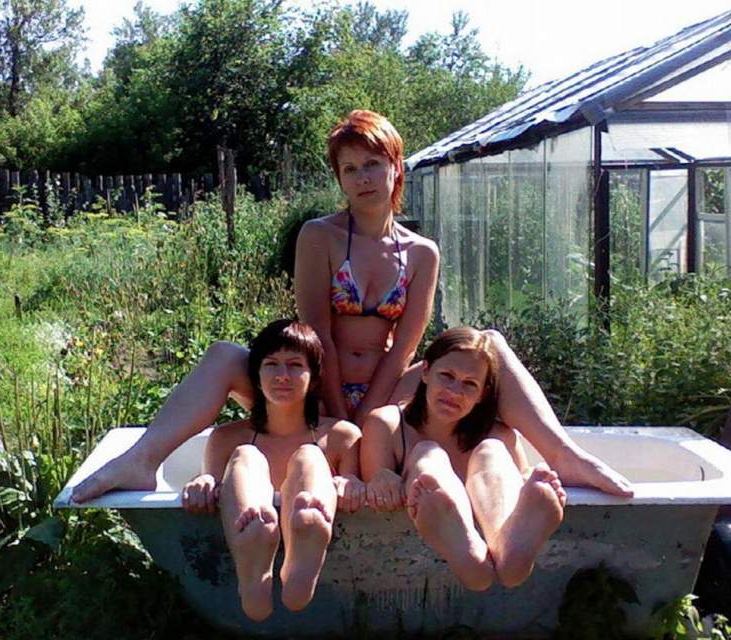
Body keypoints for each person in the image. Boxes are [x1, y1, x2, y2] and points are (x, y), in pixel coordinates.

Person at [72, 109, 631, 504]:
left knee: (493, 348)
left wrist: (372, 415)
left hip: (387, 386)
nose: (362, 178)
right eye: (349, 169)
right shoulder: (318, 236)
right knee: (223, 354)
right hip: (319, 384)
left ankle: (565, 456)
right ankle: (143, 459)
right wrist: (338, 413)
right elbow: (313, 333)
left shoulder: (421, 252)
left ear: (395, 168)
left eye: (372, 164)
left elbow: (407, 344)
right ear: (339, 178)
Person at [181, 319, 363, 621]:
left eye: (295, 365)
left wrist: (351, 484)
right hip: (247, 495)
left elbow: (354, 484)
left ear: (314, 378)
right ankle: (254, 548)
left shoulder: (341, 437)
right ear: (256, 375)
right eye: (271, 364)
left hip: (311, 489)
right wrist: (202, 483)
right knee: (246, 455)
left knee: (310, 456)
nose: (282, 375)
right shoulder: (226, 438)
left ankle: (304, 544)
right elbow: (211, 484)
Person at [361, 327, 566, 591]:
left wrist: (533, 494)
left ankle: (505, 546)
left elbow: (520, 479)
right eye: (447, 376)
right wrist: (383, 480)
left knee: (492, 450)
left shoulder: (498, 435)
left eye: (470, 384)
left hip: (490, 498)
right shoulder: (386, 423)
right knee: (428, 453)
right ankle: (465, 542)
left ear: (483, 394)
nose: (455, 391)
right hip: (427, 483)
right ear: (425, 372)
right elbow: (377, 480)